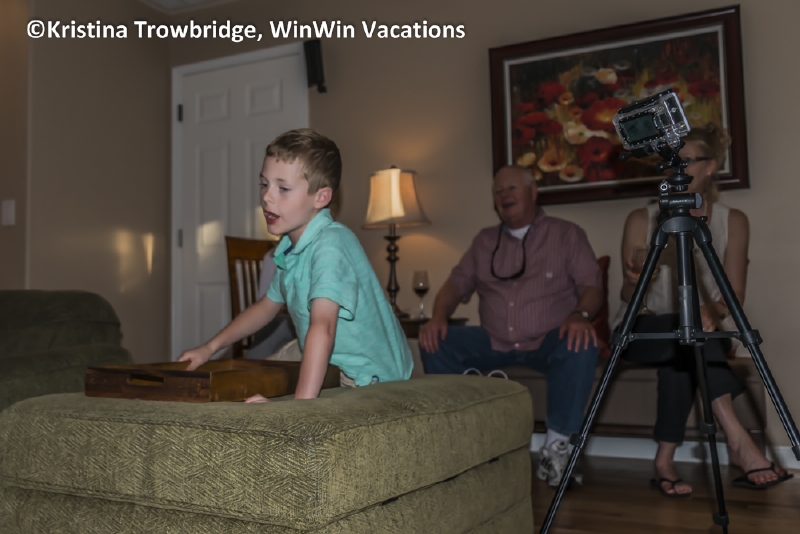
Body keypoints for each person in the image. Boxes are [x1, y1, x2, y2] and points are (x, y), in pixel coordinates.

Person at [617, 123, 792, 496]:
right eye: (672, 160)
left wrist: (712, 308)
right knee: (687, 336)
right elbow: (627, 294)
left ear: (711, 166)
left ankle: (664, 462)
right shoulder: (641, 219)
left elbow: (733, 294)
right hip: (645, 329)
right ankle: (738, 440)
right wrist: (635, 279)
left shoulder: (733, 220)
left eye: (686, 160)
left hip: (704, 329)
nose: (675, 168)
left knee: (687, 346)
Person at [180, 129, 413, 399]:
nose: (267, 197)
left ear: (321, 197)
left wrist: (299, 410)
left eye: (283, 188)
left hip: (366, 373)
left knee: (279, 392)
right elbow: (264, 309)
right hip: (326, 351)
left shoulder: (331, 244)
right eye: (264, 184)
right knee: (254, 378)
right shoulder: (290, 249)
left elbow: (323, 327)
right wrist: (209, 348)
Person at [419, 165, 603, 487]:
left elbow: (592, 287)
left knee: (582, 343)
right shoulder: (484, 241)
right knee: (435, 340)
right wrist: (438, 316)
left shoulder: (566, 234)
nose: (504, 195)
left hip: (549, 340)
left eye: (512, 188)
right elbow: (455, 285)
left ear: (533, 192)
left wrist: (580, 315)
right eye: (498, 191)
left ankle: (557, 448)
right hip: (494, 341)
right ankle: (465, 438)